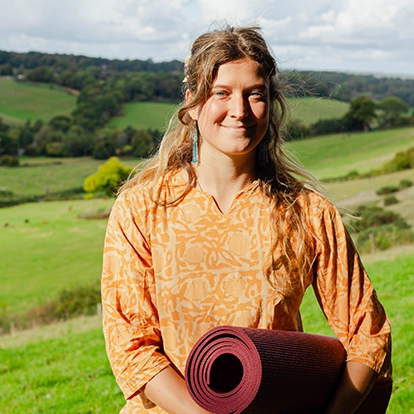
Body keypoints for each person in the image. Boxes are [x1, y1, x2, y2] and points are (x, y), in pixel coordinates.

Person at [101, 25, 392, 414]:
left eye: (254, 94)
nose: (239, 111)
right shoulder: (140, 209)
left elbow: (367, 334)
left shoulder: (307, 212)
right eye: (221, 93)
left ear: (271, 105)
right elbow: (130, 343)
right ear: (192, 105)